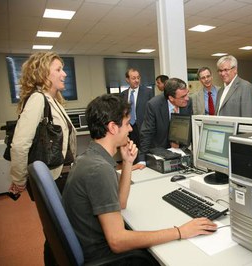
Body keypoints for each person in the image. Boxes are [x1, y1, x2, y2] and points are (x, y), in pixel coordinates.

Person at [62, 94, 216, 263]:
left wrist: (128, 163)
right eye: (127, 124)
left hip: (93, 244)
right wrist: (180, 231)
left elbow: (120, 203)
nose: (130, 129)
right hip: (103, 255)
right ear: (113, 127)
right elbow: (118, 241)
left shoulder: (91, 158)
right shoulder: (99, 170)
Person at [8, 51, 77, 265]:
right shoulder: (38, 99)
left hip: (61, 177)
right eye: (58, 69)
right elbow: (19, 144)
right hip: (54, 179)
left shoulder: (51, 100)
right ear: (43, 74)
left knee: (58, 234)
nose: (64, 74)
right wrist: (19, 181)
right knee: (58, 235)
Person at [139, 78, 192, 163]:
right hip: (159, 150)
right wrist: (142, 160)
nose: (187, 99)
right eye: (183, 96)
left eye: (187, 94)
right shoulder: (153, 105)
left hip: (180, 150)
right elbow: (146, 133)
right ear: (171, 98)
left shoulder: (188, 103)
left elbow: (189, 127)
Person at [121, 68, 153, 164]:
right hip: (129, 128)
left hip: (143, 127)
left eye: (138, 78)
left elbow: (152, 111)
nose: (137, 80)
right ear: (127, 79)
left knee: (144, 153)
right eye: (133, 78)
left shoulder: (148, 92)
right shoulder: (123, 94)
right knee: (130, 152)